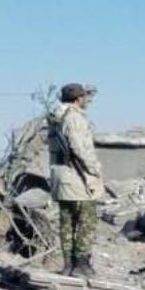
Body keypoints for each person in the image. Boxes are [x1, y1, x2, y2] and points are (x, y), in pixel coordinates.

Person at [47, 82, 104, 276]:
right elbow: (79, 148)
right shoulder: (74, 118)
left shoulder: (56, 116)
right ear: (79, 98)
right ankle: (81, 264)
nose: (87, 100)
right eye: (85, 97)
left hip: (61, 175)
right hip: (76, 175)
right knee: (87, 220)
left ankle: (68, 265)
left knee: (67, 222)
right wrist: (94, 169)